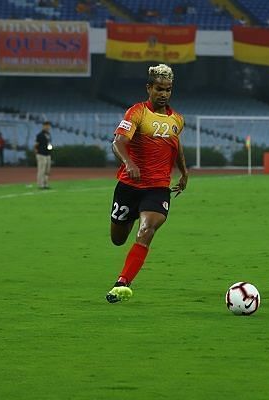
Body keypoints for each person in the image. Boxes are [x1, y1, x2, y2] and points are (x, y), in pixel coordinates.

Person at [106, 63, 189, 303]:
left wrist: (184, 172)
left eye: (168, 89)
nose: (164, 94)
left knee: (147, 229)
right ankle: (132, 215)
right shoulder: (136, 113)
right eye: (159, 89)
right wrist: (129, 163)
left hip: (157, 188)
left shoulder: (177, 120)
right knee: (118, 239)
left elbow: (176, 146)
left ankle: (122, 282)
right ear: (149, 88)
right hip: (129, 186)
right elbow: (118, 142)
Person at [34, 121, 52, 189]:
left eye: (48, 126)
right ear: (43, 126)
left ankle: (46, 183)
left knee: (47, 170)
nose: (48, 127)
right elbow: (36, 145)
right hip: (41, 154)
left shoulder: (49, 135)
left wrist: (50, 149)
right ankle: (40, 184)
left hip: (48, 154)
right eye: (46, 125)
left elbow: (49, 144)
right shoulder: (40, 135)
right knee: (41, 169)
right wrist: (36, 153)